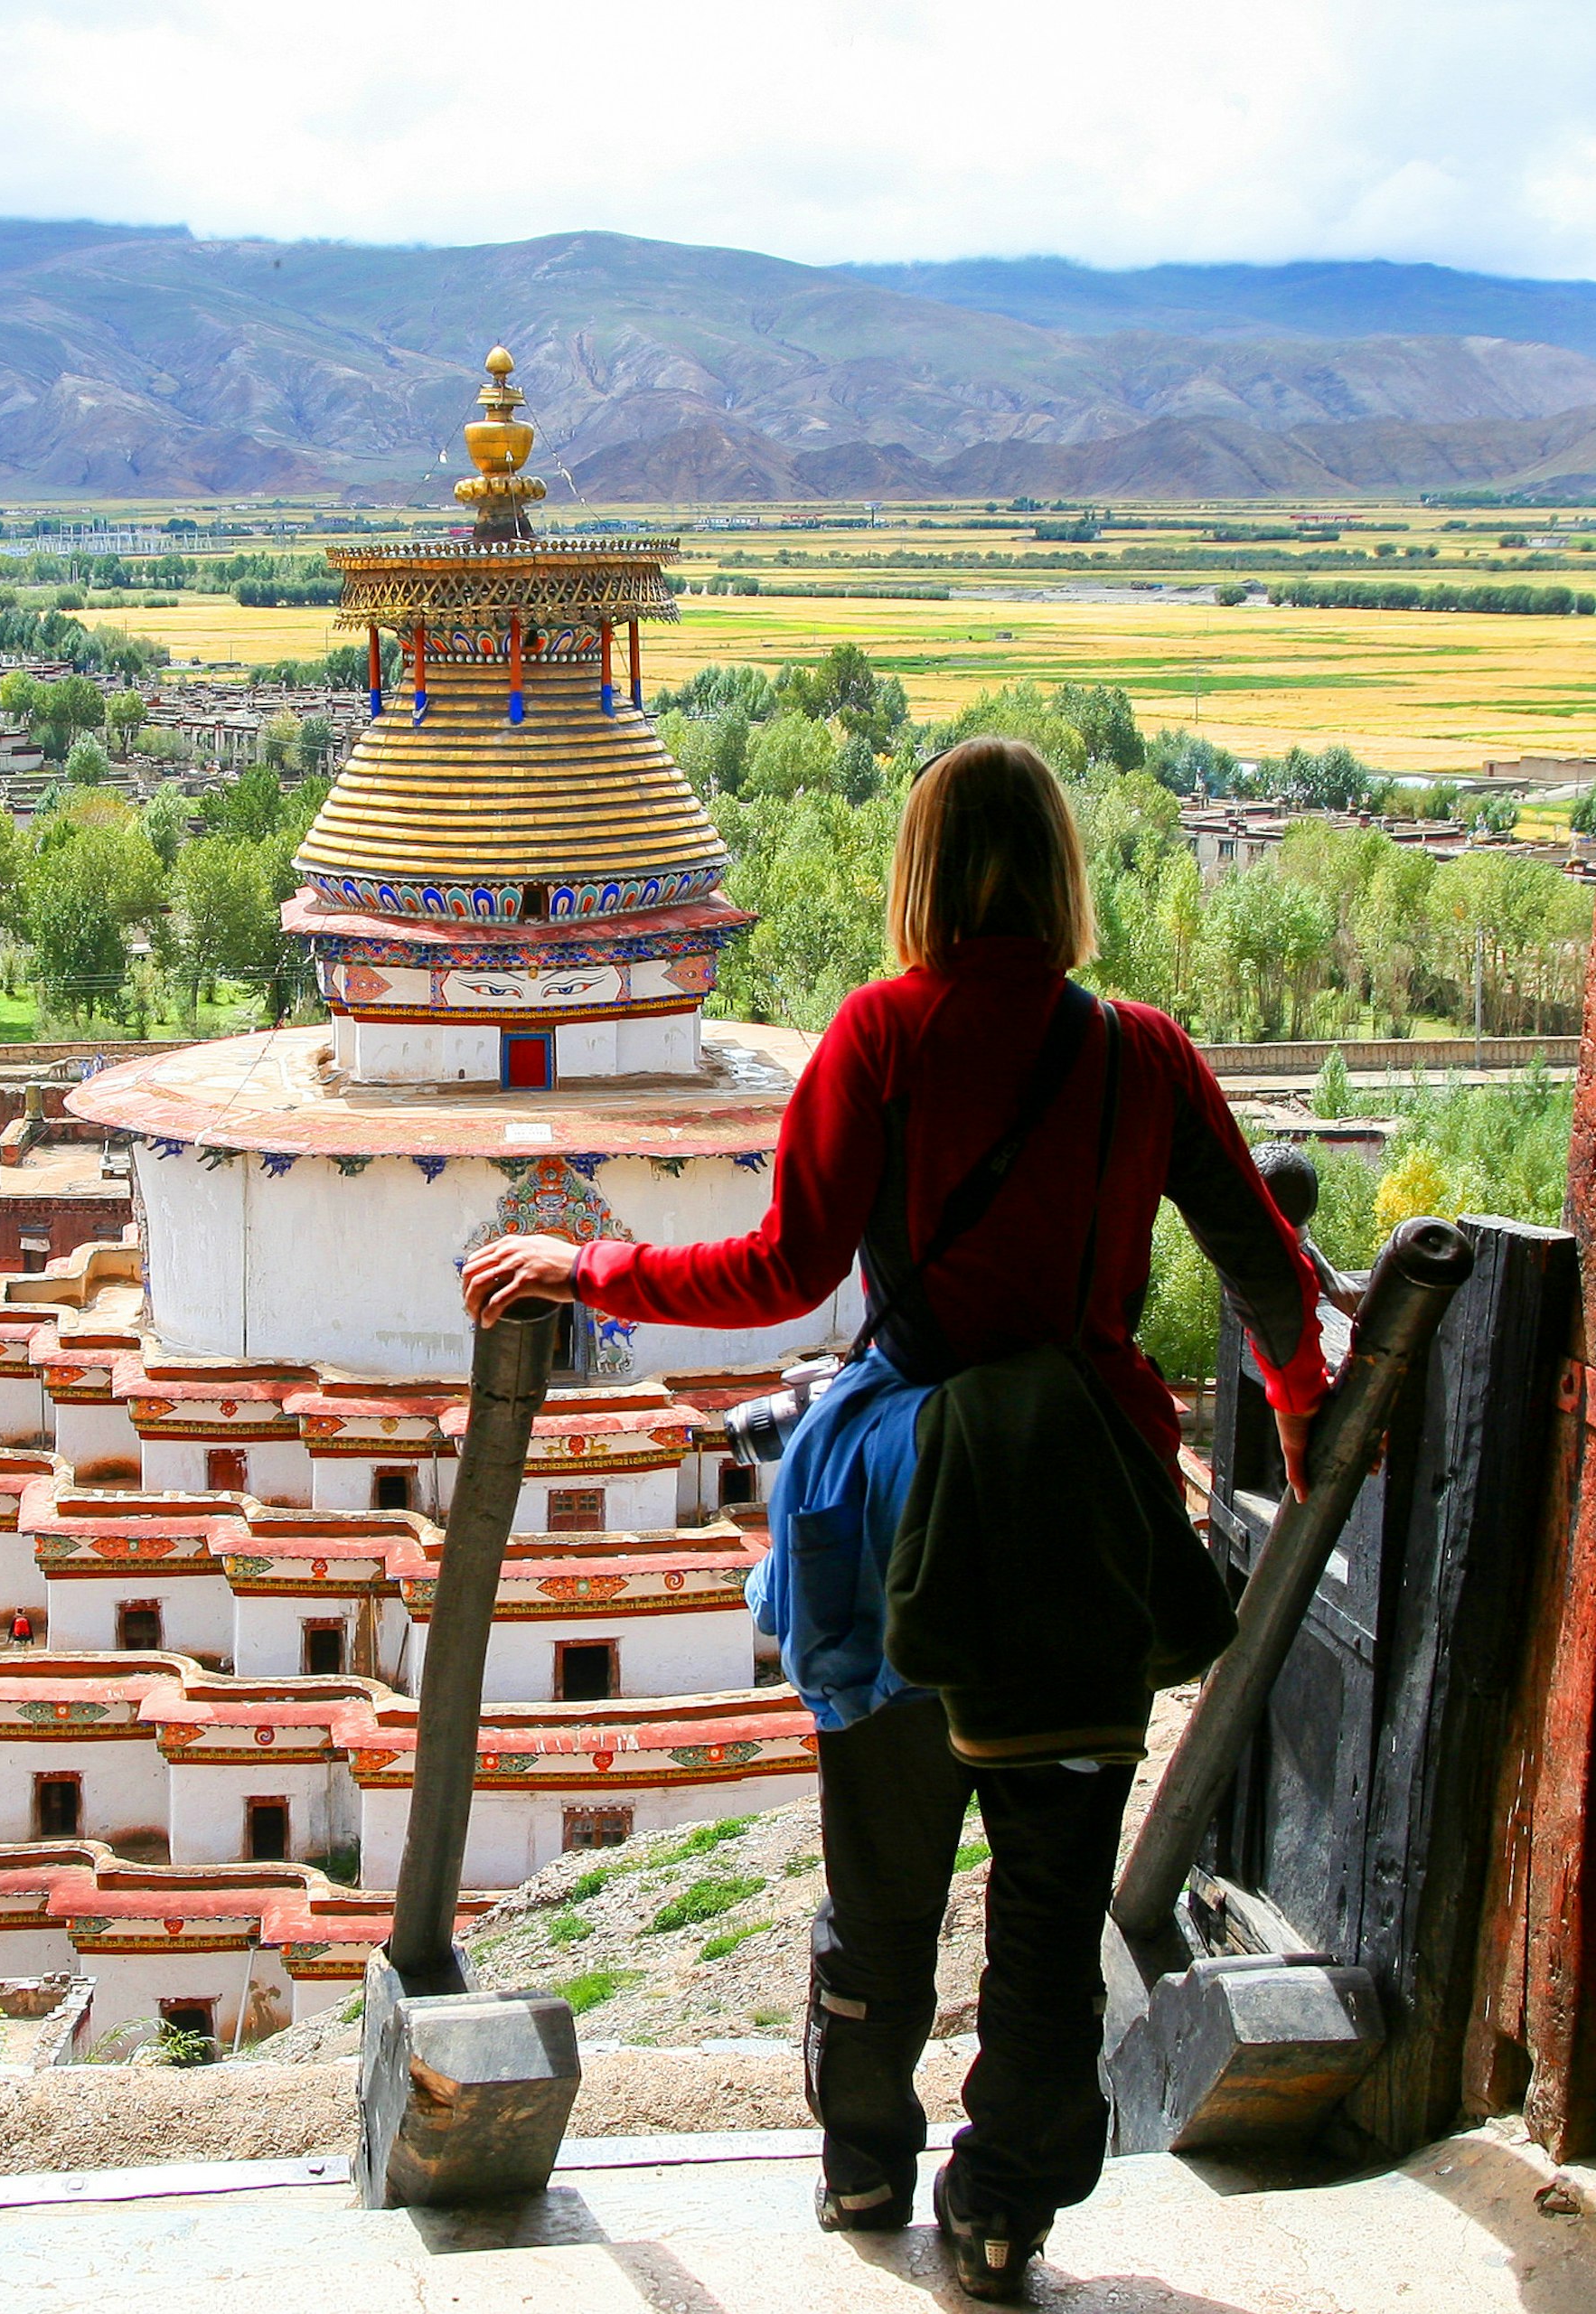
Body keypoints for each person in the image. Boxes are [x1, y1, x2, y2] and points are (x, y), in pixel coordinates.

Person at [462, 737, 1329, 2303]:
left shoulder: (882, 1034)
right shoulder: (1143, 1051)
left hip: (897, 1504)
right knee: (1054, 1903)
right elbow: (1266, 1264)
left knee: (884, 1883)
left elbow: (784, 1274)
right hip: (1080, 1510)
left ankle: (865, 2161)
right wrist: (1310, 1411)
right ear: (1061, 875)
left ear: (921, 873)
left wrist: (585, 1267)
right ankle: (1001, 2214)